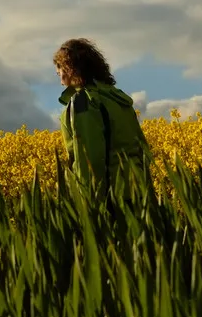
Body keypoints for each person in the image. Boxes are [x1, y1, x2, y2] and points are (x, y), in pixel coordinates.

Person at [53, 38, 150, 200]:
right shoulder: (117, 98)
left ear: (70, 68)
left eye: (59, 69)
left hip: (111, 193)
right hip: (138, 189)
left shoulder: (84, 102)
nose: (59, 76)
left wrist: (89, 200)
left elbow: (89, 157)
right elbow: (142, 147)